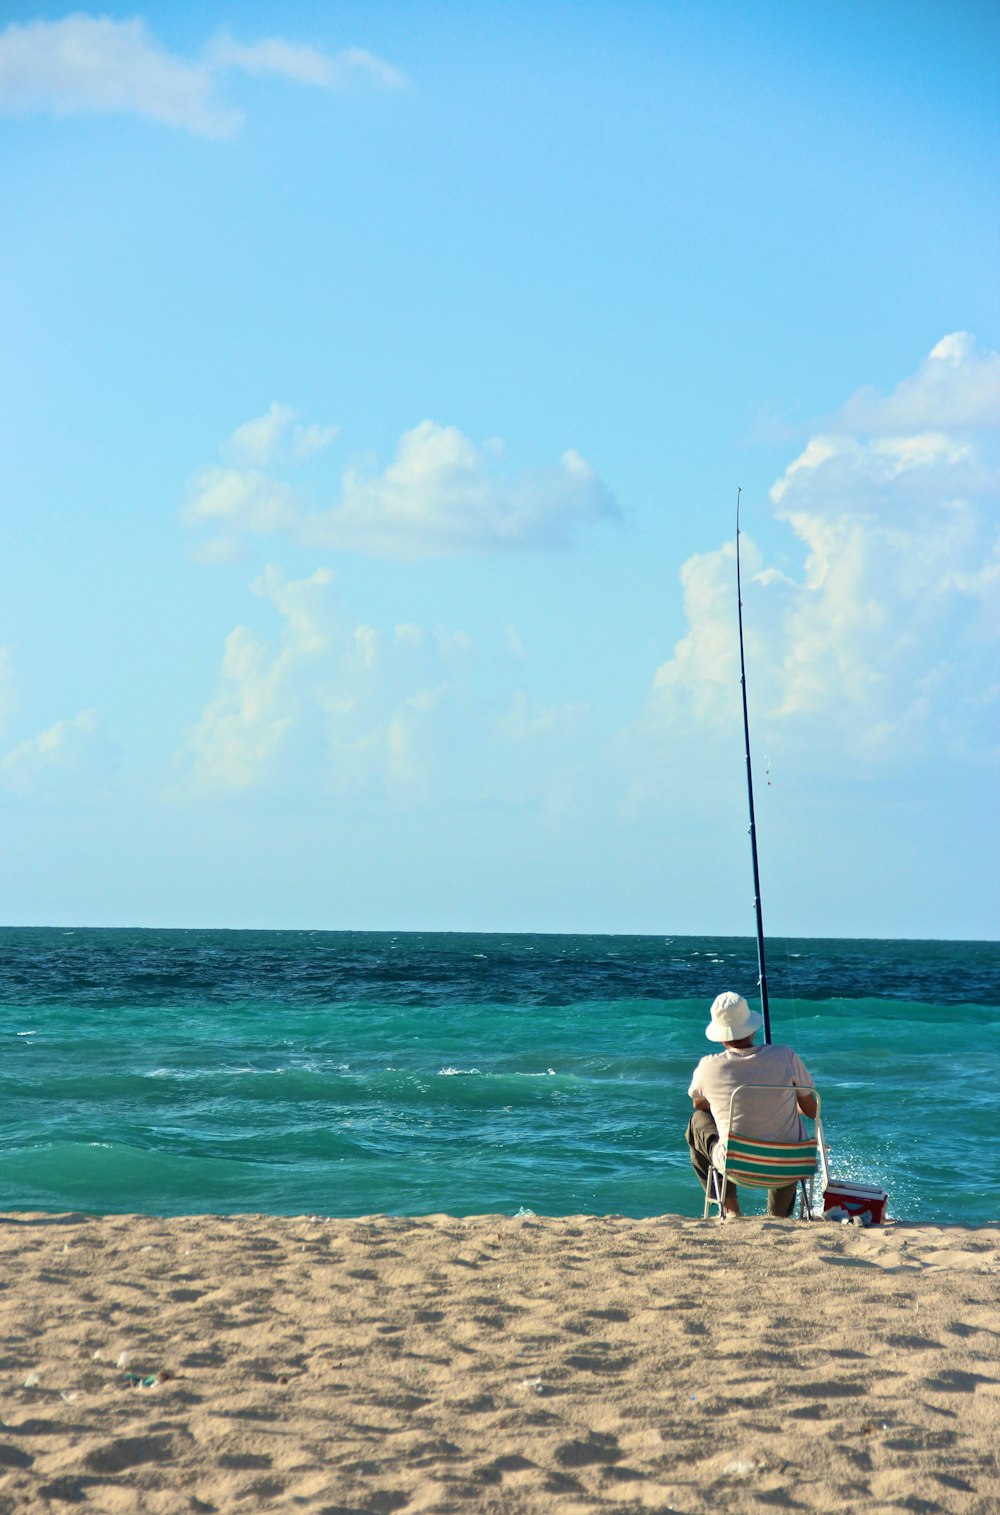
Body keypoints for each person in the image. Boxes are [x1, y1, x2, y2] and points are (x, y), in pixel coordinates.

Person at [686, 990, 817, 1218]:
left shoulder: (708, 1066)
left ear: (720, 1036)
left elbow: (699, 1105)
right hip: (790, 1165)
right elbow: (812, 1111)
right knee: (784, 1138)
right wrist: (783, 1101)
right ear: (753, 1028)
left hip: (737, 1166)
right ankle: (779, 1216)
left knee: (697, 1122)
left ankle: (730, 1207)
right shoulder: (785, 1055)